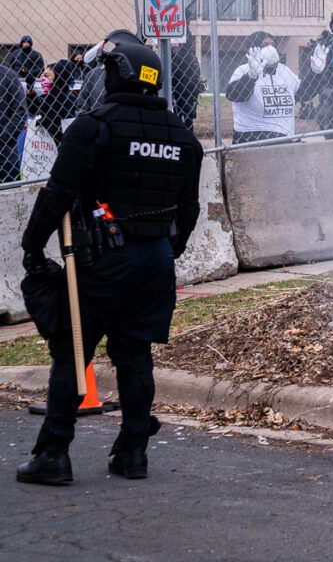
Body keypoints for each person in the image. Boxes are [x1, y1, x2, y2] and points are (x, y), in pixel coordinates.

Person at [17, 36, 203, 485]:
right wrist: (163, 251)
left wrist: (31, 246)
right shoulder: (183, 136)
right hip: (156, 260)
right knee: (134, 353)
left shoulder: (93, 126)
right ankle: (133, 452)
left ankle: (54, 453)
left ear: (117, 72)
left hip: (103, 259)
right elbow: (189, 211)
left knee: (71, 351)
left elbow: (58, 195)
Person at [225, 31, 308, 145]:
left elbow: (303, 93)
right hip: (253, 141)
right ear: (253, 49)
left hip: (285, 141)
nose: (270, 49)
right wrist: (251, 77)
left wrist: (316, 74)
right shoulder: (243, 70)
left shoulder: (284, 70)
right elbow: (233, 95)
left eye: (273, 45)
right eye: (264, 45)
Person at [29, 60, 77, 146]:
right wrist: (30, 93)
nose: (43, 79)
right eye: (43, 76)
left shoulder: (68, 99)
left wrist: (45, 123)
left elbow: (66, 130)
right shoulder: (49, 96)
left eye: (47, 76)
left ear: (58, 76)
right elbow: (35, 112)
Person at [0, 63, 26, 182]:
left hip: (6, 156)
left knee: (11, 197)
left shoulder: (7, 74)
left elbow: (20, 111)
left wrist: (3, 137)